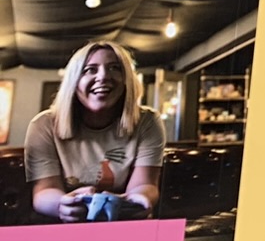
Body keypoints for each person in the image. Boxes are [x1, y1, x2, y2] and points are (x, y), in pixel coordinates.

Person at [27, 41, 163, 223]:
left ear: (127, 80)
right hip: (64, 227)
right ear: (74, 81)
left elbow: (146, 184)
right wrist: (62, 205)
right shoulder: (43, 125)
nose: (103, 76)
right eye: (90, 70)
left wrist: (136, 200)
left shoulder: (148, 122)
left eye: (115, 68)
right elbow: (44, 190)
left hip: (124, 224)